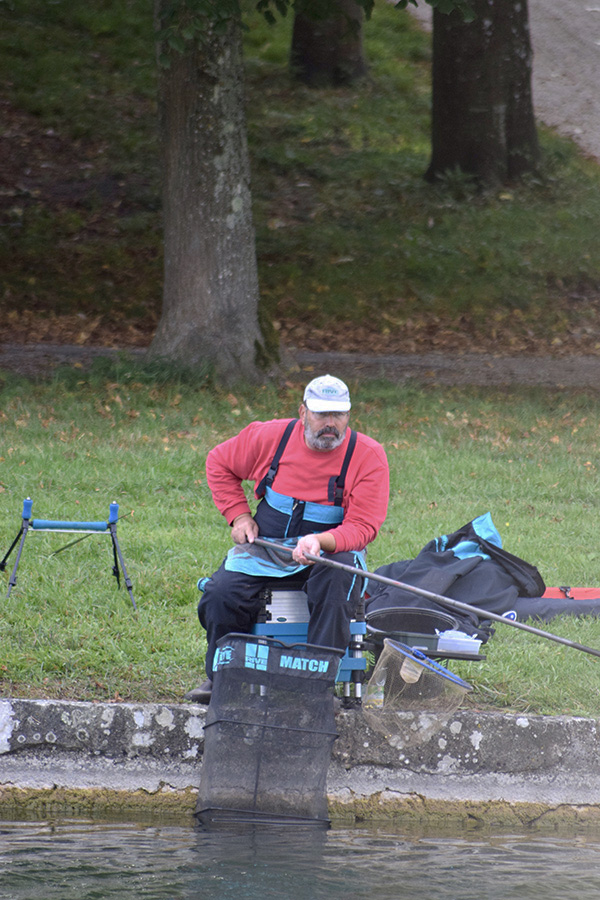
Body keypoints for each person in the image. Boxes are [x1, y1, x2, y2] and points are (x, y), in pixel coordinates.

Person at [184, 374, 390, 703]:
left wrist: (320, 543)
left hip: (327, 552)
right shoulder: (269, 436)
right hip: (266, 546)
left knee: (339, 581)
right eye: (322, 414)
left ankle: (315, 685)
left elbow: (364, 526)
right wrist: (238, 515)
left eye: (339, 415)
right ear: (303, 412)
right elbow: (219, 463)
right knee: (220, 594)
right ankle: (223, 677)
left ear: (349, 416)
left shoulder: (368, 455)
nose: (330, 424)